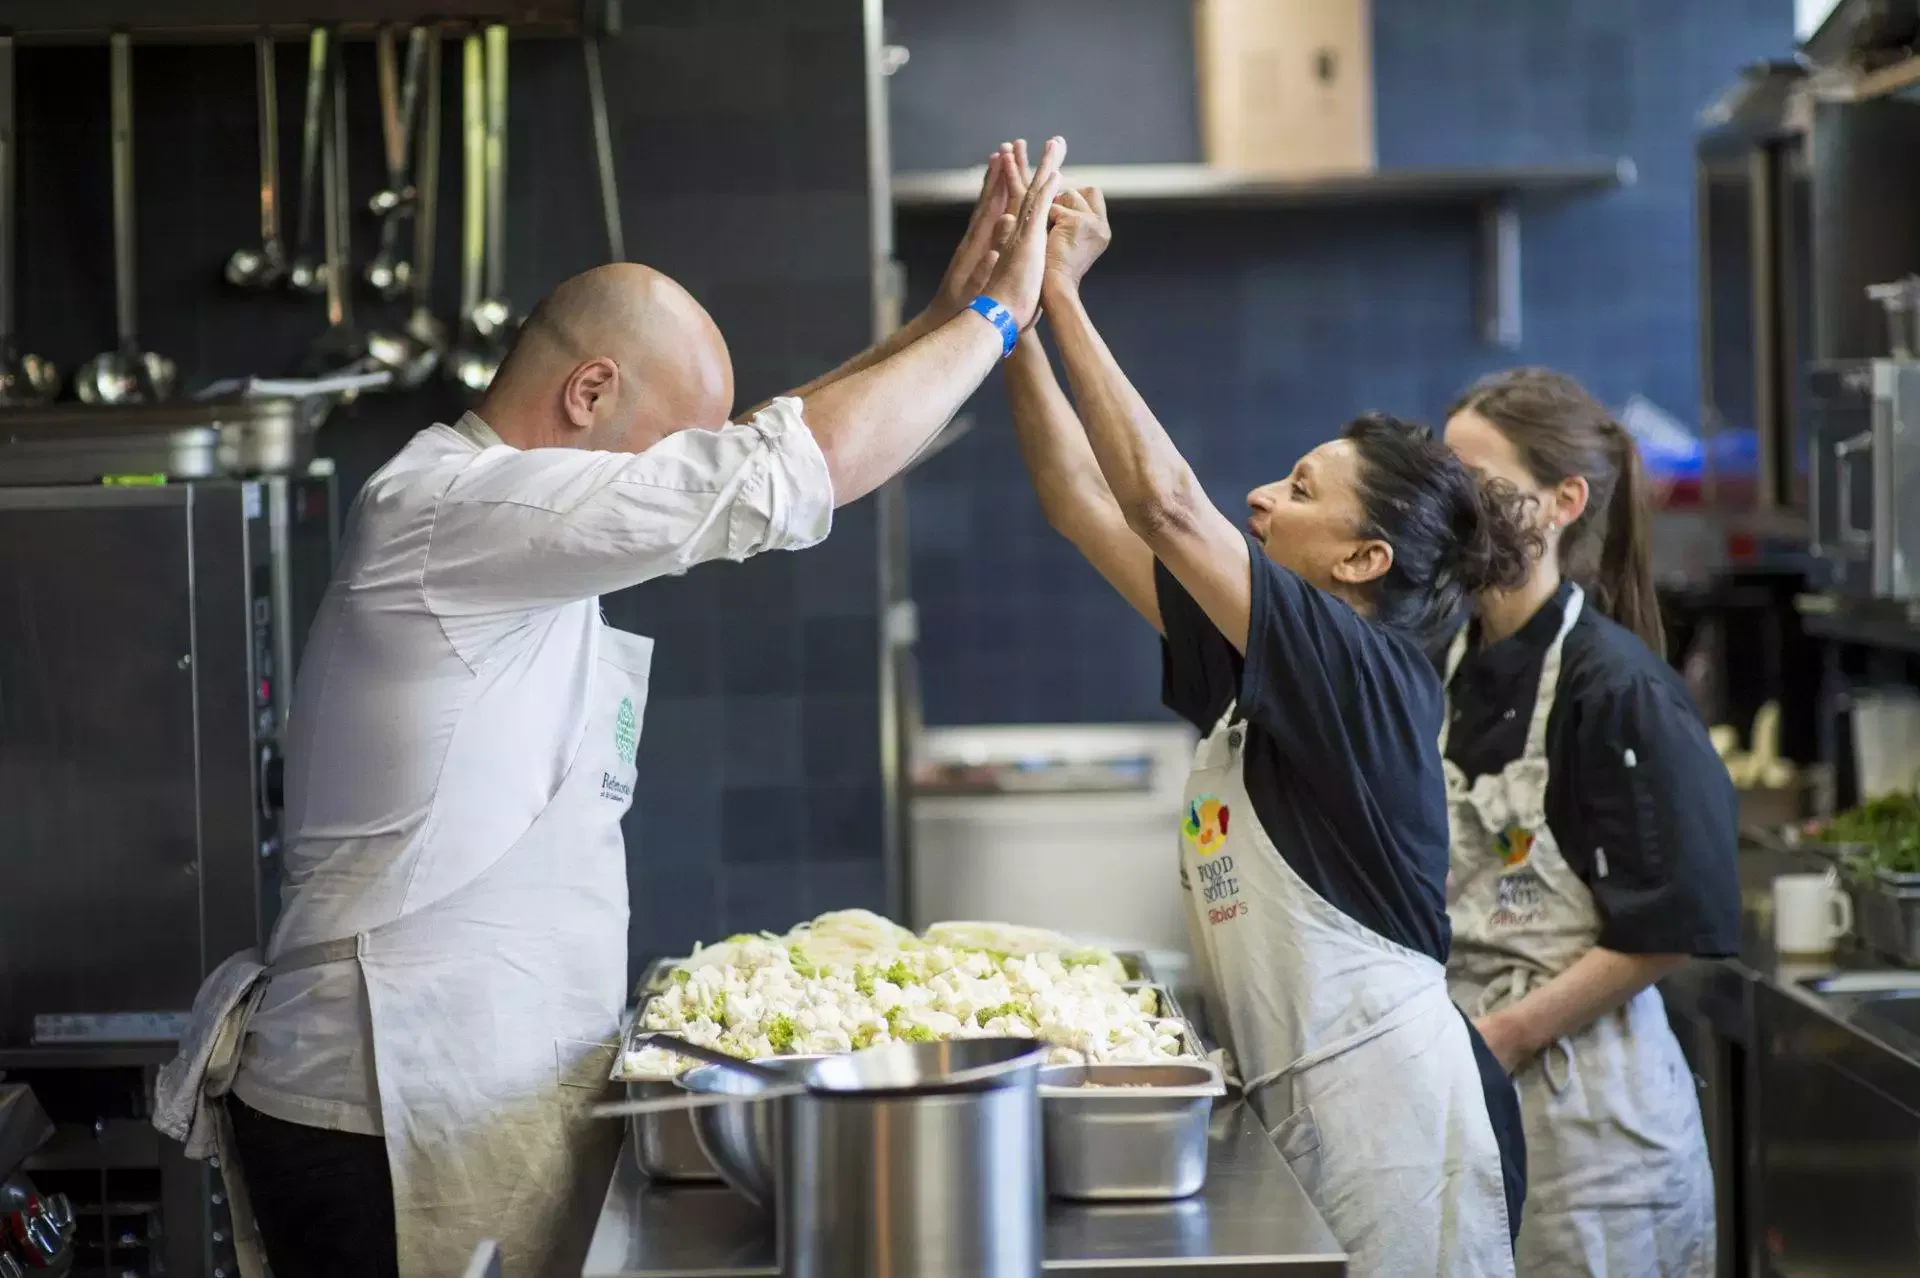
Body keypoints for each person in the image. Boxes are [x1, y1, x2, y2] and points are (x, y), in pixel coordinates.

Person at [152, 140, 1071, 1278]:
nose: (676, 484)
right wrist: (994, 317)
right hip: (380, 1114)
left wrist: (940, 319)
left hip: (448, 1098)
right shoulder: (449, 510)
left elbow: (755, 457)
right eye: (669, 451)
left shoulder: (502, 522)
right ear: (589, 392)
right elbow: (771, 477)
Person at [1005, 155, 1527, 1276]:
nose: (1261, 498)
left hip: (1399, 1125)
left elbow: (1163, 503)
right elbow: (1079, 501)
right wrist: (1005, 319)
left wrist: (1062, 294)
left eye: (1298, 490)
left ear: (1363, 559)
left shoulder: (1368, 673)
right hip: (1299, 1098)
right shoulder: (1264, 665)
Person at [1436, 368, 1739, 1275]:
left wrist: (1506, 1036)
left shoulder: (1617, 686)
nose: (1454, 507)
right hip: (1470, 1098)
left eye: (1479, 482)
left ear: (1564, 502)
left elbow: (1673, 923)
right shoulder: (1447, 661)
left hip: (1594, 1137)